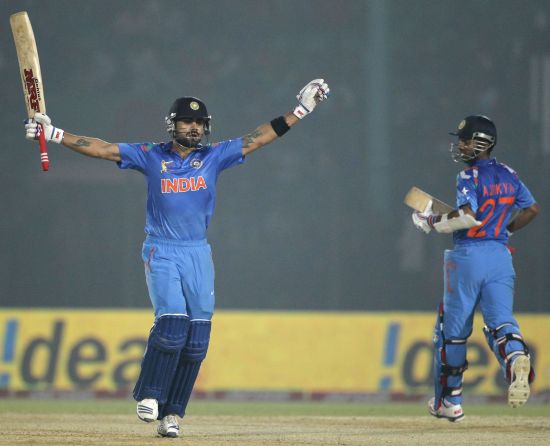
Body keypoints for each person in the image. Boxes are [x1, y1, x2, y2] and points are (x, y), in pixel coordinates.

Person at [24, 79, 330, 437]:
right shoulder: (151, 155)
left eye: (199, 123)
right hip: (162, 249)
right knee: (171, 326)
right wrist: (55, 133)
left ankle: (172, 415)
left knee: (197, 340)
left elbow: (258, 137)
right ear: (173, 125)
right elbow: (104, 149)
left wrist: (301, 111)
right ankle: (150, 394)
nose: (194, 127)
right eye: (187, 121)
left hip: (198, 252)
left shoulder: (213, 156)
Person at [411, 115, 539, 422]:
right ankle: (516, 359)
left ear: (478, 142)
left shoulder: (468, 177)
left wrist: (431, 222)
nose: (460, 145)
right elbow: (532, 208)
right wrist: (506, 230)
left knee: (451, 332)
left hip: (468, 257)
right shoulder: (509, 174)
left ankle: (449, 402)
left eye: (465, 140)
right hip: (500, 256)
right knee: (501, 323)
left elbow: (467, 218)